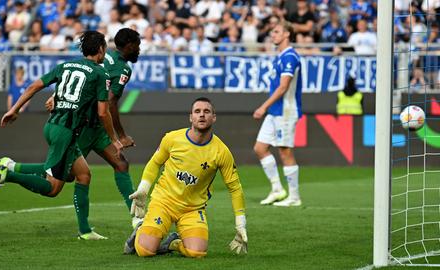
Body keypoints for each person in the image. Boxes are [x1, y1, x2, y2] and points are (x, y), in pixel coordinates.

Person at [0, 31, 122, 240]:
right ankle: (9, 174)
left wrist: (14, 109)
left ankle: (85, 231)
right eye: (105, 48)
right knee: (52, 188)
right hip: (65, 132)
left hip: (53, 125)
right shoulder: (99, 73)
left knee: (84, 175)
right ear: (101, 49)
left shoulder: (65, 66)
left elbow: (35, 85)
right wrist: (114, 139)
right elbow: (103, 112)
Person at [42, 28, 141, 231]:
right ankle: (13, 168)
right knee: (64, 176)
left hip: (97, 128)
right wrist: (121, 135)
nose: (139, 49)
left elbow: (80, 77)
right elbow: (110, 104)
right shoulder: (123, 69)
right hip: (83, 126)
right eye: (137, 45)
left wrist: (57, 96)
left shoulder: (107, 57)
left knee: (121, 164)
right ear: (129, 45)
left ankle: (137, 219)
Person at [123, 97, 248, 258]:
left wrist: (240, 223)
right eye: (197, 111)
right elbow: (154, 163)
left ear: (214, 117)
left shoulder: (222, 152)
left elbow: (235, 188)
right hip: (164, 202)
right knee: (145, 251)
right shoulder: (172, 138)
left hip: (192, 209)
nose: (201, 115)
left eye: (206, 111)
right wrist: (143, 189)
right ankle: (141, 228)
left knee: (197, 252)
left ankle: (172, 243)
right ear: (191, 117)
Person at [253, 21, 303, 207]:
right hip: (276, 111)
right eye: (272, 32)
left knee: (285, 151)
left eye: (276, 32)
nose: (272, 35)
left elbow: (284, 87)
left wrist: (263, 107)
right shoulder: (280, 57)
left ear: (287, 34)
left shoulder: (290, 57)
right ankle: (277, 189)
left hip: (286, 111)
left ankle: (294, 197)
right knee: (260, 148)